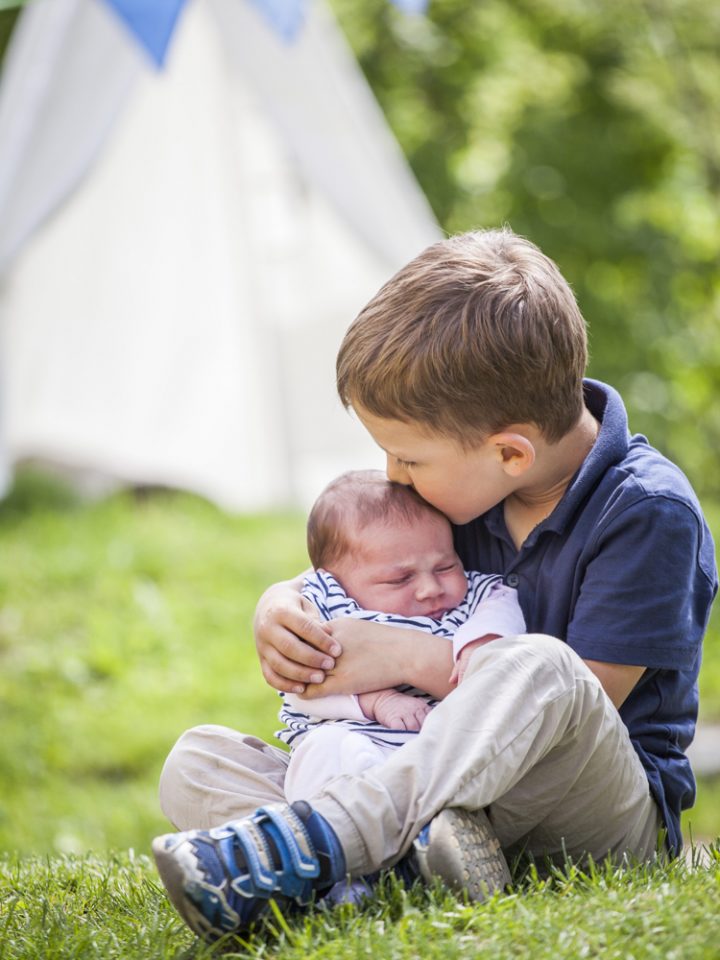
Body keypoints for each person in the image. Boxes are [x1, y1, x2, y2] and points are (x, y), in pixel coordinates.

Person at [153, 227, 717, 943]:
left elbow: (577, 705)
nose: (392, 476)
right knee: (197, 759)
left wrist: (406, 659)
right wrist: (284, 604)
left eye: (407, 458)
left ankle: (315, 848)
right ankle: (395, 869)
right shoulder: (464, 491)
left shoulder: (647, 513)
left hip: (591, 811)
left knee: (544, 666)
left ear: (509, 452)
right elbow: (361, 567)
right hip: (431, 788)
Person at [280, 468, 526, 806]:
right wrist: (378, 702)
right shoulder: (326, 604)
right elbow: (299, 690)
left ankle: (419, 836)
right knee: (325, 749)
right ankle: (336, 832)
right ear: (335, 581)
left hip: (440, 755)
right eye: (399, 580)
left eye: (445, 567)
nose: (430, 589)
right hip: (353, 743)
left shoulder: (473, 595)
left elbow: (502, 606)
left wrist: (479, 644)